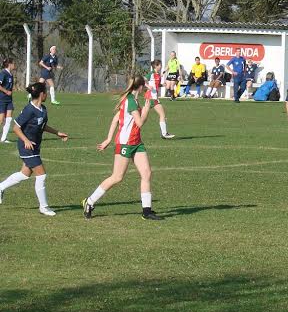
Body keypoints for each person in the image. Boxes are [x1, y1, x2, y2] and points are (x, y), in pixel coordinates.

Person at [82, 76, 162, 220]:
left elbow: (116, 119)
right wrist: (146, 109)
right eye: (145, 85)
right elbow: (139, 122)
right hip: (125, 143)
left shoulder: (133, 99)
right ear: (141, 86)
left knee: (146, 173)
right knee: (117, 177)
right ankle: (89, 201)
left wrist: (108, 138)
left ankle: (147, 211)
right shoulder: (130, 100)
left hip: (136, 143)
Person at [0, 82, 68, 216]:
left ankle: (1, 187)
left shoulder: (43, 109)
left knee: (24, 174)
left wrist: (57, 132)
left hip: (35, 147)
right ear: (42, 94)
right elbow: (16, 127)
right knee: (41, 174)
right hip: (26, 148)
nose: (47, 94)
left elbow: (42, 125)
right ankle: (44, 207)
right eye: (46, 92)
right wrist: (25, 140)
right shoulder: (29, 110)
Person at [146, 60, 175, 139]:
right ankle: (164, 133)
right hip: (152, 97)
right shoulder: (151, 74)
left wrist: (162, 85)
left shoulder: (157, 74)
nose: (161, 66)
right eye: (160, 65)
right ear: (156, 66)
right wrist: (148, 86)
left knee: (142, 116)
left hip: (153, 98)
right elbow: (142, 80)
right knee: (161, 115)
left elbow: (156, 85)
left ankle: (164, 133)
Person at [0, 59, 15, 143]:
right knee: (1, 120)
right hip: (2, 99)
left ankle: (3, 138)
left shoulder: (11, 75)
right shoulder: (3, 73)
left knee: (9, 118)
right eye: (13, 64)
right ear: (9, 64)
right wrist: (6, 91)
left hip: (9, 100)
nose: (14, 65)